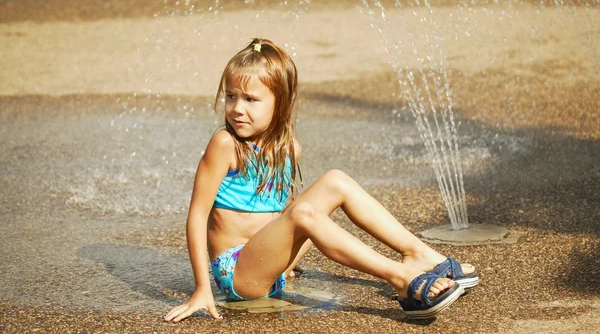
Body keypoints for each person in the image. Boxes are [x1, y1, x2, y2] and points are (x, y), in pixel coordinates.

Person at [164, 38, 478, 322]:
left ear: (280, 102)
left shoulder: (289, 149)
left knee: (335, 181)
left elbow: (276, 212)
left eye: (251, 99)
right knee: (304, 213)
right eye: (231, 96)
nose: (237, 109)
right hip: (238, 274)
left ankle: (419, 253)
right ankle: (402, 279)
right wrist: (202, 288)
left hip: (271, 268)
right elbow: (197, 215)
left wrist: (283, 257)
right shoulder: (225, 144)